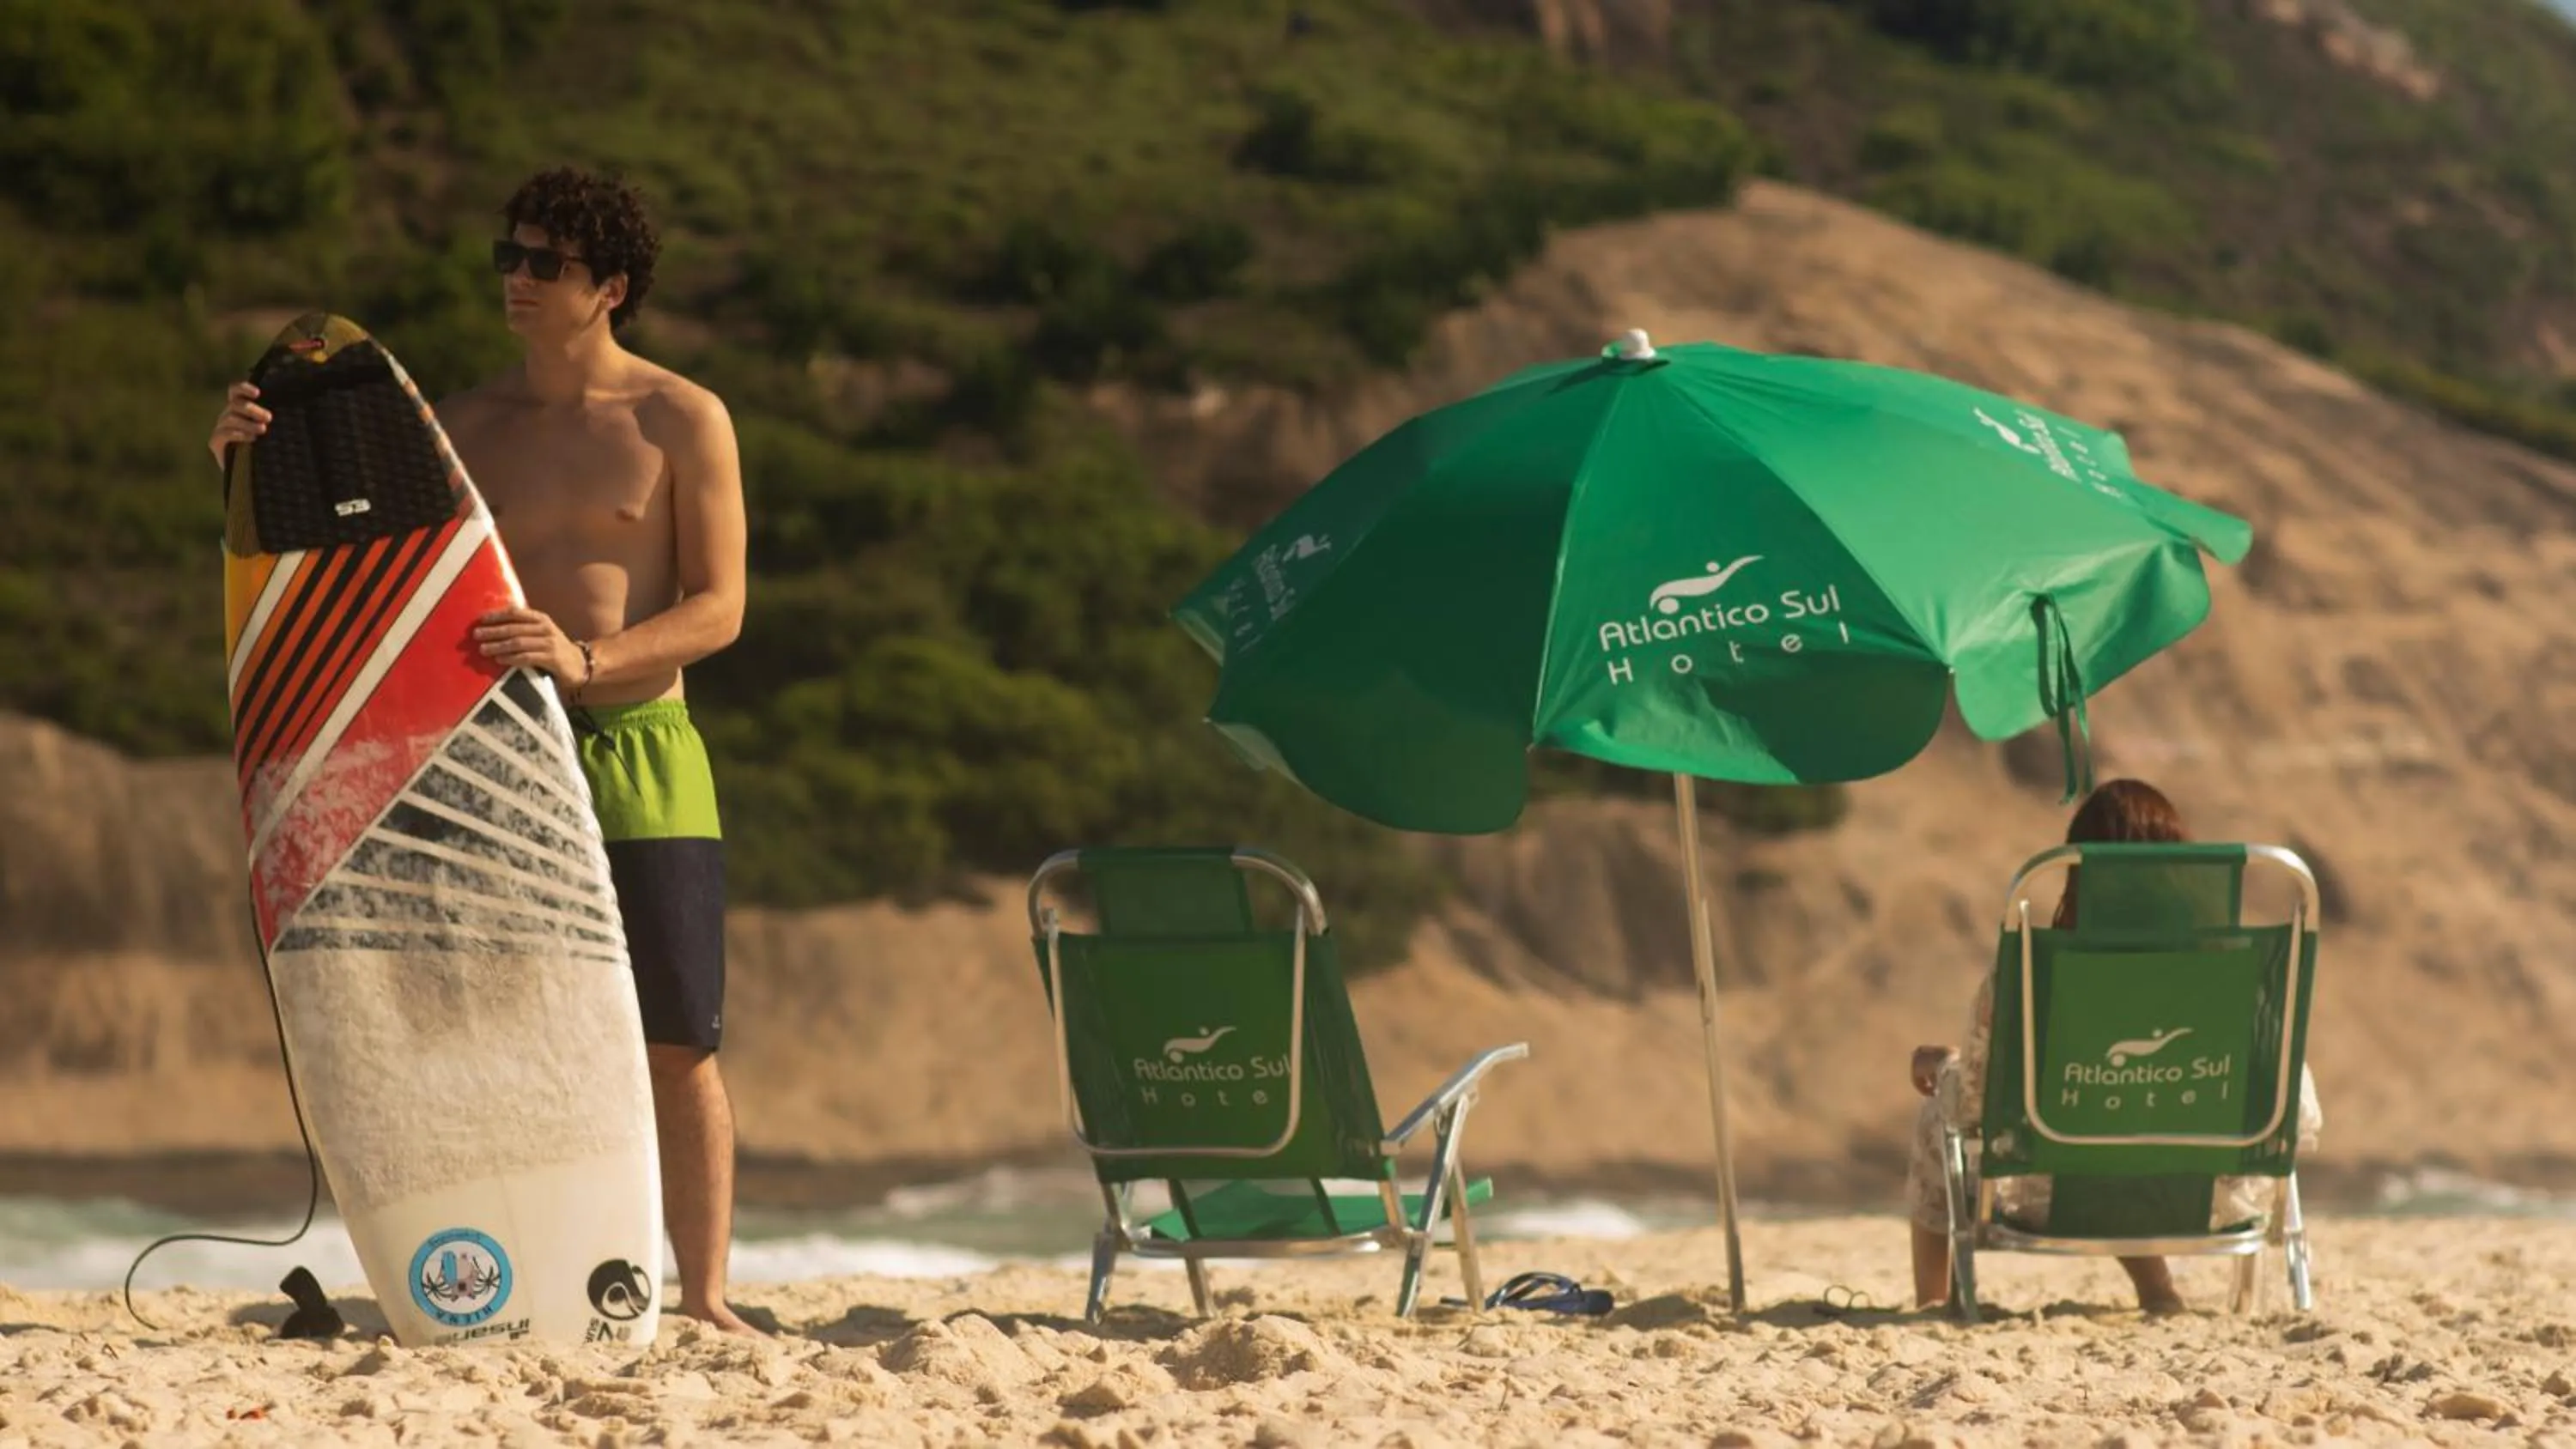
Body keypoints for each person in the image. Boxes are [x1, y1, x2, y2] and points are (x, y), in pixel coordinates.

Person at [207, 167, 760, 1336]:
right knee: (493, 1029)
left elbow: (720, 608)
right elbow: (335, 559)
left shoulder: (679, 419)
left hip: (638, 744)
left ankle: (704, 1294)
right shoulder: (454, 430)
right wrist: (244, 462)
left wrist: (587, 659)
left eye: (546, 263)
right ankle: (506, 1274)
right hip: (484, 760)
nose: (517, 279)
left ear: (611, 288)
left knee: (677, 1035)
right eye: (508, 256)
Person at [1901, 778, 2324, 1316]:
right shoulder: (2234, 973)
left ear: (2081, 867)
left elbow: (1975, 1102)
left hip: (2064, 1202)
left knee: (1943, 1110)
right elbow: (2296, 1109)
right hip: (2207, 1204)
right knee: (2132, 1130)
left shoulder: (2036, 971)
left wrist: (1945, 1064)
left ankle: (1934, 1300)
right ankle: (2157, 1287)